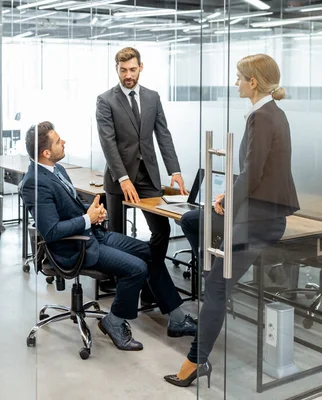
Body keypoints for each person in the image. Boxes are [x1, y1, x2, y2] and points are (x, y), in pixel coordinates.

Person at [164, 54, 300, 387]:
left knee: (214, 289)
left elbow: (254, 173)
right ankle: (213, 271)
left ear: (253, 82)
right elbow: (257, 170)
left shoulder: (263, 117)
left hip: (261, 217)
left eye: (239, 77)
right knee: (193, 220)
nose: (235, 82)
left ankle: (196, 361)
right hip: (254, 208)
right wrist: (230, 197)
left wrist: (236, 198)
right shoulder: (266, 113)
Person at [21, 121, 197, 351]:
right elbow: (52, 231)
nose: (63, 142)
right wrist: (87, 218)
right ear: (46, 153)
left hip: (93, 234)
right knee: (137, 268)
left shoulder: (58, 169)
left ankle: (177, 319)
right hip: (74, 247)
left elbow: (68, 207)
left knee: (151, 253)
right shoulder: (34, 182)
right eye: (57, 141)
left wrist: (93, 211)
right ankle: (113, 322)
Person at [96, 47, 186, 302]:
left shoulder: (152, 97)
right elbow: (108, 143)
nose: (128, 75)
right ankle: (121, 283)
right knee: (116, 233)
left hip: (148, 176)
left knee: (161, 228)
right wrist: (123, 178)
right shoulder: (106, 100)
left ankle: (152, 278)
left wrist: (175, 171)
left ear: (141, 68)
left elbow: (163, 135)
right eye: (123, 70)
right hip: (118, 178)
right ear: (117, 69)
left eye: (132, 69)